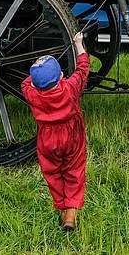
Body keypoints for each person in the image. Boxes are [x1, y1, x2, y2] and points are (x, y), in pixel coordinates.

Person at [21, 32, 90, 231]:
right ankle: (71, 211)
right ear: (61, 76)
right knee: (74, 170)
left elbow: (25, 83)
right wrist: (78, 44)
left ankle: (61, 206)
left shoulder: (32, 93)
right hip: (72, 136)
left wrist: (37, 74)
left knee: (52, 172)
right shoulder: (70, 88)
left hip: (47, 139)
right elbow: (83, 68)